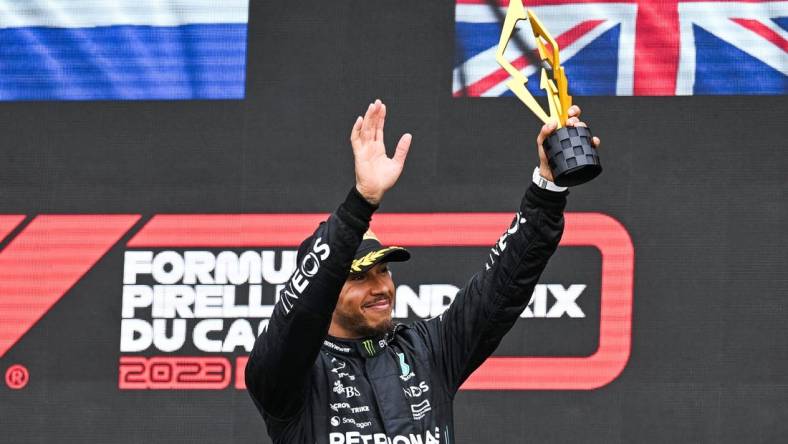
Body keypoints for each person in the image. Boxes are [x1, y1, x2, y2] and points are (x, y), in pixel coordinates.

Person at [246, 99, 600, 443]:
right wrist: (360, 204)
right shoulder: (287, 374)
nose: (379, 287)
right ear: (324, 293)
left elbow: (503, 286)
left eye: (383, 271)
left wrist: (548, 190)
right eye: (358, 277)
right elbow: (299, 314)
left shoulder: (428, 350)